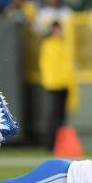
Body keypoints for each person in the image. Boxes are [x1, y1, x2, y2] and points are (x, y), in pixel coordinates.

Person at [38, 21, 77, 149]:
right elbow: (48, 65)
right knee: (54, 116)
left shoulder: (63, 44)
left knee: (61, 116)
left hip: (64, 84)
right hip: (54, 84)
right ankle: (50, 144)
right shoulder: (48, 44)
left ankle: (60, 145)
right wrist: (50, 81)